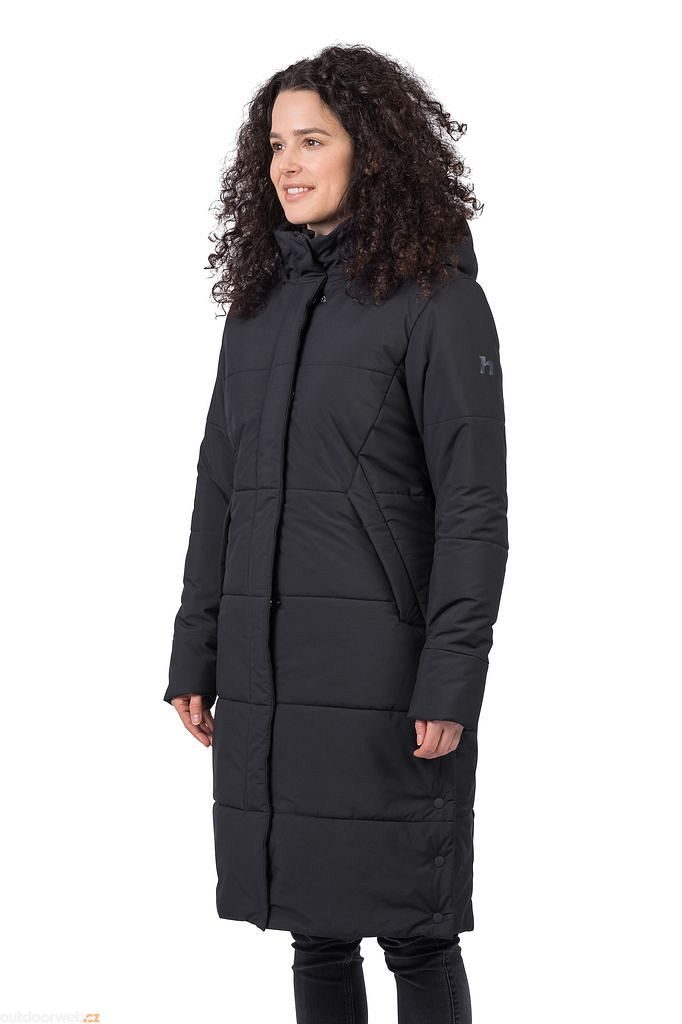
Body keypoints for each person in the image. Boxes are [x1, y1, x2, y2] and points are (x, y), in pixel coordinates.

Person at [163, 43, 508, 1024]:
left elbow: (473, 506)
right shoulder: (258, 310)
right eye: (276, 144)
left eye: (312, 141)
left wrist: (451, 677)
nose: (287, 164)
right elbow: (219, 489)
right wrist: (197, 648)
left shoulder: (438, 303)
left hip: (384, 677)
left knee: (413, 927)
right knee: (312, 927)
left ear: (373, 151)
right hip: (272, 668)